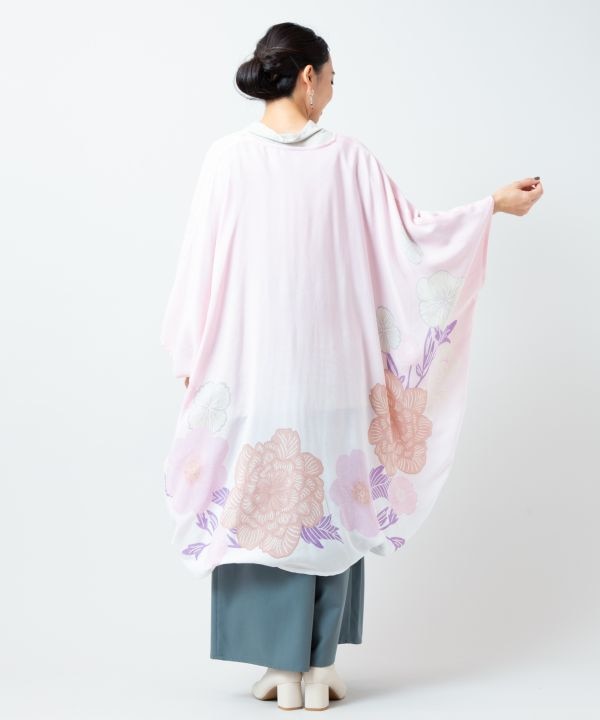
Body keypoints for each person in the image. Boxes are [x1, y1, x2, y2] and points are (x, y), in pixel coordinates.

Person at [160, 21, 543, 711]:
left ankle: (285, 668)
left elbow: (199, 267)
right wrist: (489, 207)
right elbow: (415, 238)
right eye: (332, 80)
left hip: (255, 372)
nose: (333, 93)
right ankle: (317, 667)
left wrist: (191, 351)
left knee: (267, 499)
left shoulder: (227, 159)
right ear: (307, 77)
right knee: (331, 497)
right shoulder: (349, 159)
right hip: (334, 370)